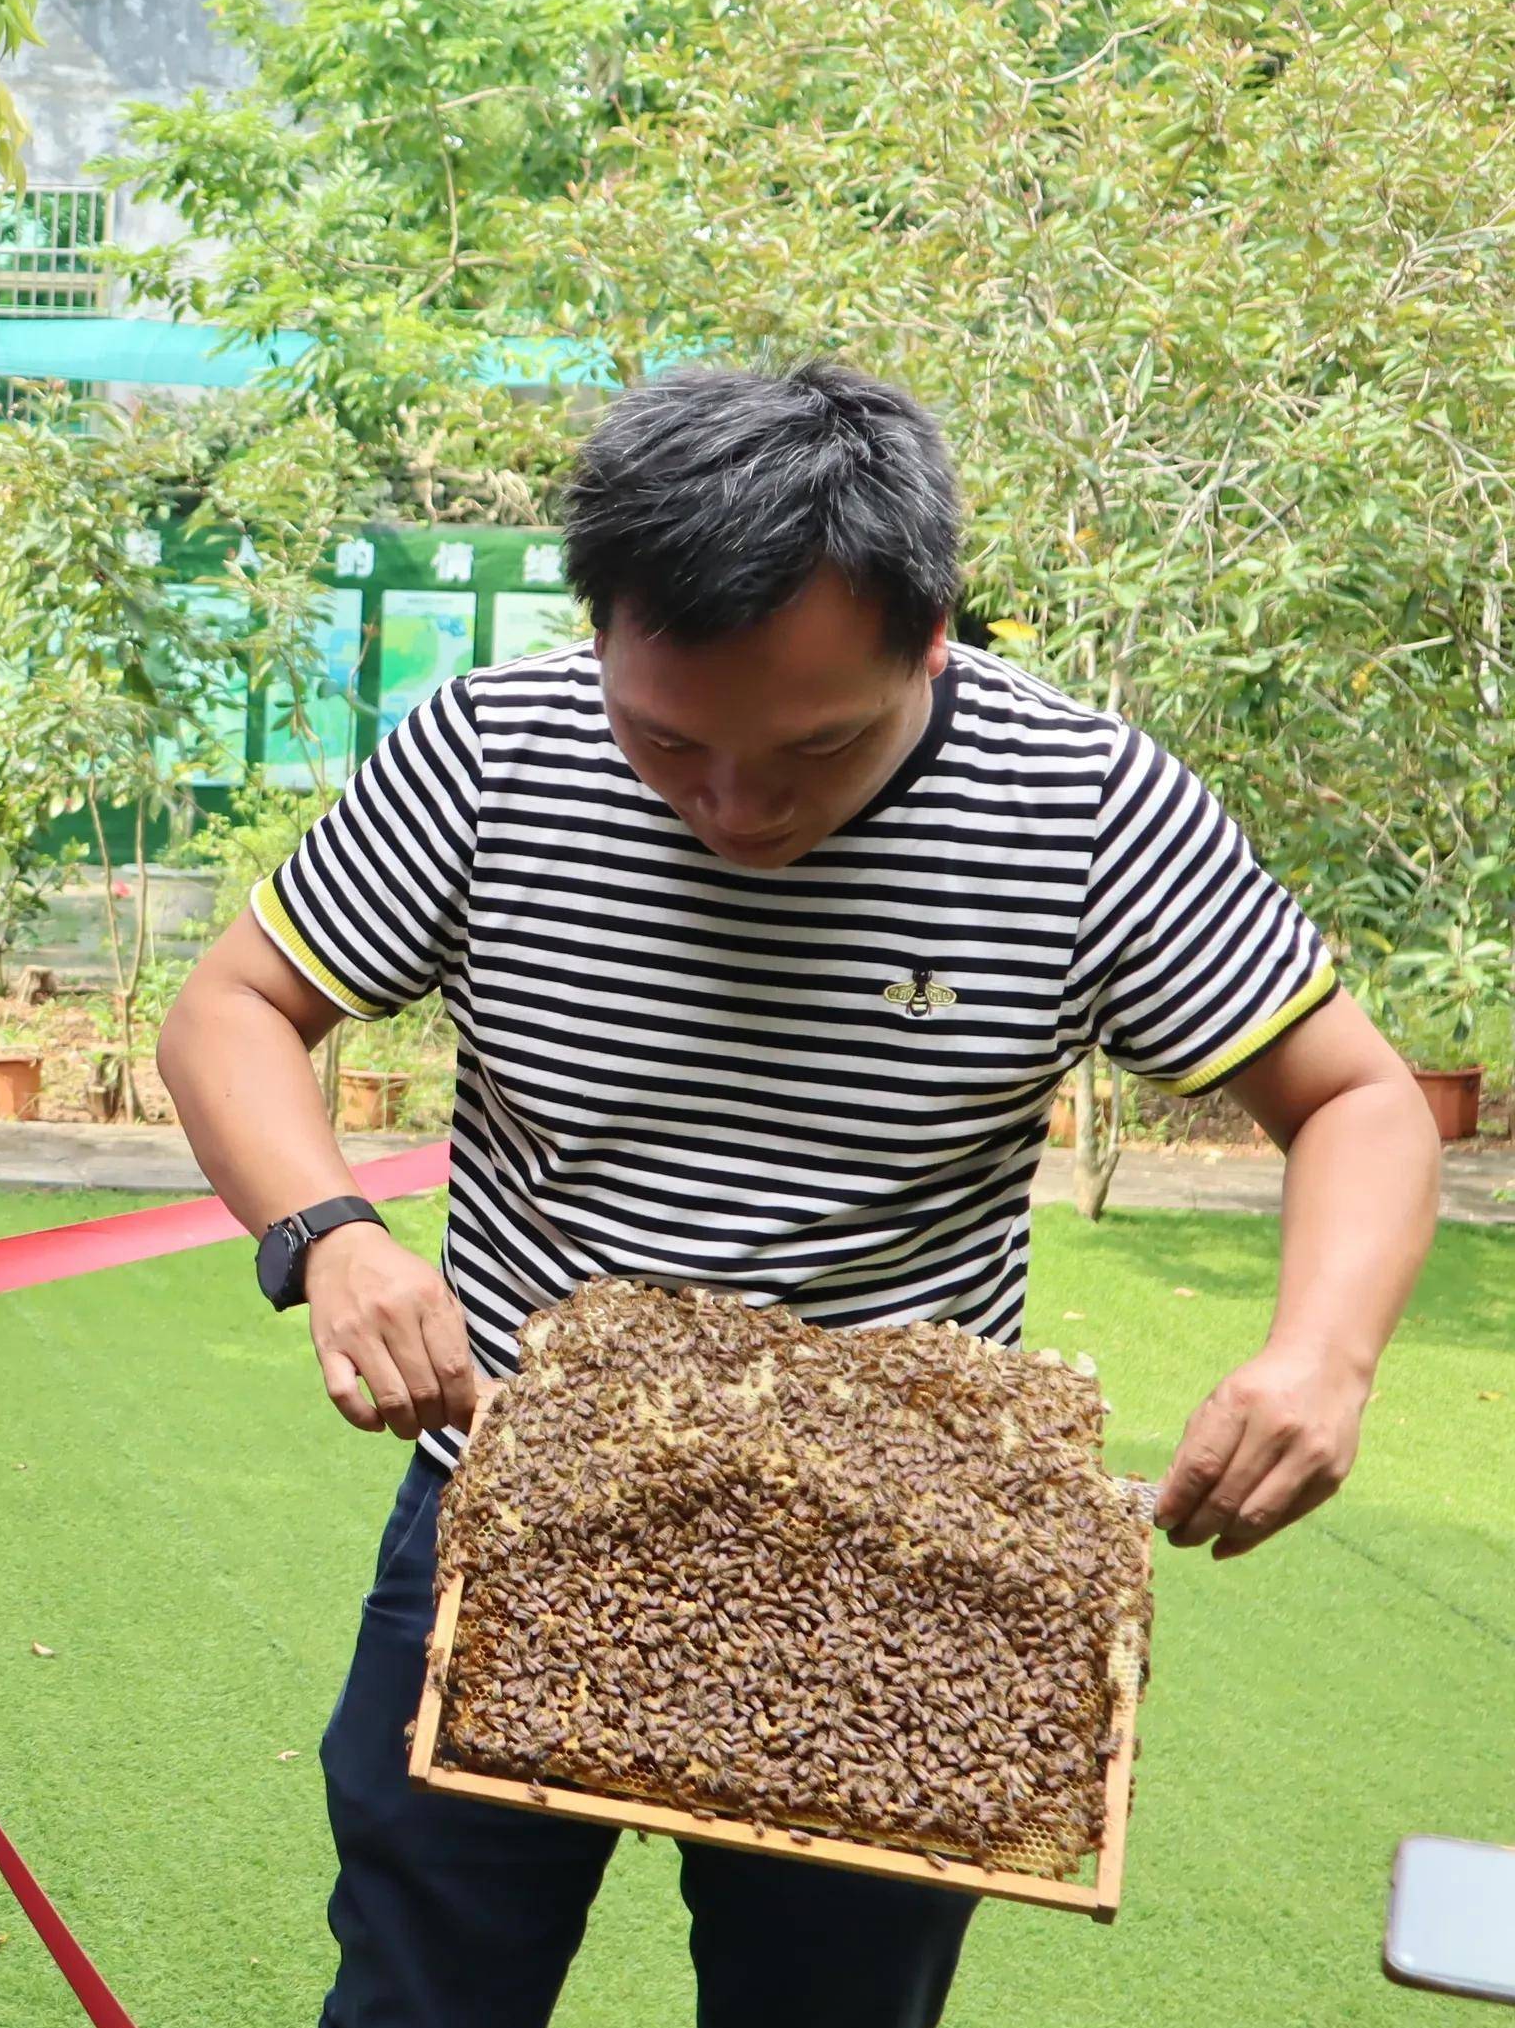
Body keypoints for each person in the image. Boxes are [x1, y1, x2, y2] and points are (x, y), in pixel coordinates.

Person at [156, 362, 1444, 2028]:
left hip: (912, 1553)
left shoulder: (1086, 807)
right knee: (423, 1993)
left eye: (815, 745)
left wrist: (1324, 1353)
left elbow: (1358, 1096)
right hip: (522, 1486)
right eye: (668, 737)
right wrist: (328, 1231)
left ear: (930, 637)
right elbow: (232, 1007)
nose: (737, 806)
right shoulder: (494, 749)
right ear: (602, 628)